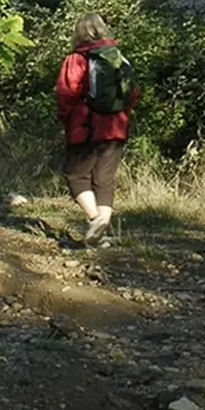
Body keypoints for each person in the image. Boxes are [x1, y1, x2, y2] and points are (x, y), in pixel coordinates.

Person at [55, 13, 139, 245]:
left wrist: (65, 120)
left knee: (75, 175)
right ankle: (102, 235)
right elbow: (133, 93)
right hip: (116, 128)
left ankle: (96, 220)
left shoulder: (77, 59)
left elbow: (66, 93)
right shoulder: (120, 59)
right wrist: (121, 116)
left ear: (79, 33)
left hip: (86, 127)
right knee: (105, 181)